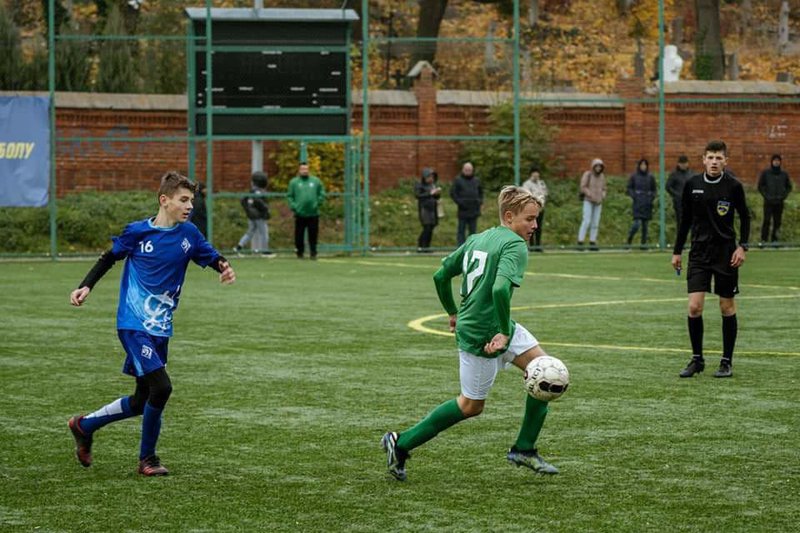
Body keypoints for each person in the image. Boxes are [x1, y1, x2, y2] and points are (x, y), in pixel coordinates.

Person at [381, 185, 561, 481]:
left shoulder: (478, 238)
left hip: (490, 323)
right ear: (509, 216)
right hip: (482, 333)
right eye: (529, 219)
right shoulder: (515, 245)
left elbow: (440, 275)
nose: (535, 226)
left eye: (536, 219)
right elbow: (500, 288)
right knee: (470, 406)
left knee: (547, 371)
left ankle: (524, 448)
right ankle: (400, 444)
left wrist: (453, 311)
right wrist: (501, 333)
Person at [67, 171, 237, 476]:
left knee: (141, 399)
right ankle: (148, 459)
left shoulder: (190, 235)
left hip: (160, 326)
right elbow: (109, 258)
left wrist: (223, 267)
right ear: (164, 200)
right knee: (162, 387)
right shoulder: (138, 232)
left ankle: (84, 425)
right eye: (183, 200)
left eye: (191, 201)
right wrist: (86, 286)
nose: (189, 206)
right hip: (133, 324)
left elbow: (211, 256)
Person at [672, 140, 750, 379]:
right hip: (699, 253)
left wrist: (742, 247)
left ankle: (726, 361)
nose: (714, 162)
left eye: (719, 158)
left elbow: (745, 217)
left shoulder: (733, 186)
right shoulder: (692, 184)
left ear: (725, 160)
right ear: (703, 160)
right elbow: (685, 221)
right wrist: (677, 251)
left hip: (726, 253)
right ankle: (697, 359)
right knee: (694, 307)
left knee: (726, 306)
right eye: (710, 157)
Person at [287, 162, 326, 259]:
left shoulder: (316, 181)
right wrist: (294, 206)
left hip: (313, 213)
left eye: (306, 169)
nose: (304, 171)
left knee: (313, 234)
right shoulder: (294, 182)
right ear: (299, 170)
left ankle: (313, 253)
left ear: (309, 170)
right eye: (302, 169)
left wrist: (317, 204)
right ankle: (300, 253)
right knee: (299, 235)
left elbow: (322, 193)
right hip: (300, 213)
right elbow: (290, 196)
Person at [234, 171, 274, 256]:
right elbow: (259, 202)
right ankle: (265, 251)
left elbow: (243, 200)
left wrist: (248, 210)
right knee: (264, 232)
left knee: (250, 232)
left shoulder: (252, 191)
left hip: (252, 216)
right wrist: (266, 209)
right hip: (258, 216)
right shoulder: (257, 192)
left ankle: (238, 247)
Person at [757, 154, 792, 247]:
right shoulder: (766, 173)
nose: (776, 162)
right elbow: (760, 186)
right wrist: (766, 196)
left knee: (777, 222)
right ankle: (763, 240)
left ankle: (775, 241)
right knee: (766, 221)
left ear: (780, 162)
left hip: (779, 202)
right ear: (772, 162)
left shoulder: (784, 174)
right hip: (768, 202)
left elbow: (789, 187)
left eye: (778, 161)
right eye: (774, 161)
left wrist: (783, 196)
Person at [450, 162, 484, 246]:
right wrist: (460, 202)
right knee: (461, 230)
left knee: (473, 231)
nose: (468, 171)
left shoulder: (476, 180)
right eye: (466, 170)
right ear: (463, 170)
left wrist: (479, 201)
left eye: (470, 170)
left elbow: (481, 192)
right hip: (463, 210)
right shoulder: (458, 180)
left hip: (474, 210)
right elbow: (453, 193)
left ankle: (472, 246)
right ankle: (460, 247)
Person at [626, 158, 657, 248]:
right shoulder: (634, 176)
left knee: (645, 226)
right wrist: (634, 196)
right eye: (642, 165)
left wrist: (651, 198)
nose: (643, 167)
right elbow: (629, 188)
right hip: (638, 203)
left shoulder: (650, 177)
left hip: (647, 203)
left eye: (645, 165)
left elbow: (654, 189)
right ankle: (629, 239)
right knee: (636, 224)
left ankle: (643, 244)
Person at [577, 158, 607, 250]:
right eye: (596, 166)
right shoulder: (588, 174)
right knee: (586, 221)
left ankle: (592, 241)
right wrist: (590, 194)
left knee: (595, 222)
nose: (598, 168)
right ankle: (580, 241)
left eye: (600, 166)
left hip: (598, 202)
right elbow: (583, 186)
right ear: (593, 166)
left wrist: (603, 195)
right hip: (588, 200)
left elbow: (604, 188)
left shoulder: (602, 176)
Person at [414, 167, 441, 252]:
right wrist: (430, 193)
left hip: (433, 209)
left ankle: (427, 247)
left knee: (431, 228)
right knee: (427, 228)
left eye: (432, 177)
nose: (431, 179)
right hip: (424, 209)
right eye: (429, 177)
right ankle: (421, 245)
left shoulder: (432, 185)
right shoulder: (419, 185)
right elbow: (418, 195)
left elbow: (436, 197)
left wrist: (437, 193)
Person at [521, 167, 548, 251]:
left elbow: (545, 193)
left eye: (537, 172)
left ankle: (538, 245)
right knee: (531, 226)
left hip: (540, 208)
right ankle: (532, 245)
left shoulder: (541, 183)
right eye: (534, 172)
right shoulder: (527, 184)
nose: (536, 174)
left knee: (539, 227)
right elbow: (527, 195)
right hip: (531, 209)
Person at [666, 155, 692, 228]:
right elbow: (668, 187)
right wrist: (677, 195)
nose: (683, 165)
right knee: (680, 221)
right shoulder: (674, 175)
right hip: (679, 202)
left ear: (687, 164)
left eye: (685, 163)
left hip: (690, 202)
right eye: (682, 163)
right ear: (678, 164)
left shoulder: (691, 174)